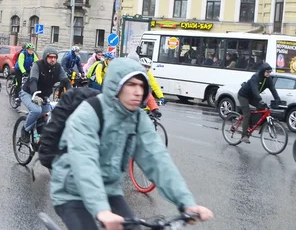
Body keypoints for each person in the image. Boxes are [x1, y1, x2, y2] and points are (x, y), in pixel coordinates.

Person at [50, 58, 213, 230]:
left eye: (142, 86)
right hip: (72, 191)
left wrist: (187, 203)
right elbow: (84, 164)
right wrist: (101, 210)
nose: (137, 92)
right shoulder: (89, 114)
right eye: (131, 85)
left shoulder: (137, 119)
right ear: (116, 86)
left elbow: (158, 159)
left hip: (110, 191)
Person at [19, 46, 70, 143]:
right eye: (50, 57)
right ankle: (25, 130)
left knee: (48, 115)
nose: (53, 59)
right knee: (36, 110)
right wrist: (35, 94)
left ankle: (39, 137)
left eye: (55, 57)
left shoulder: (58, 67)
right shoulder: (37, 65)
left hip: (43, 96)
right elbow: (33, 80)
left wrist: (71, 94)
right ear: (45, 57)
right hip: (28, 93)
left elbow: (66, 81)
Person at [237, 62, 280, 143]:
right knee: (247, 114)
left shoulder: (268, 79)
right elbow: (255, 90)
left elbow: (273, 90)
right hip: (243, 95)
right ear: (263, 71)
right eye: (267, 72)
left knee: (263, 108)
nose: (268, 74)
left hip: (253, 97)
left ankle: (250, 123)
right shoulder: (255, 77)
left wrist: (278, 100)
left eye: (269, 72)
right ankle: (244, 135)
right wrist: (260, 99)